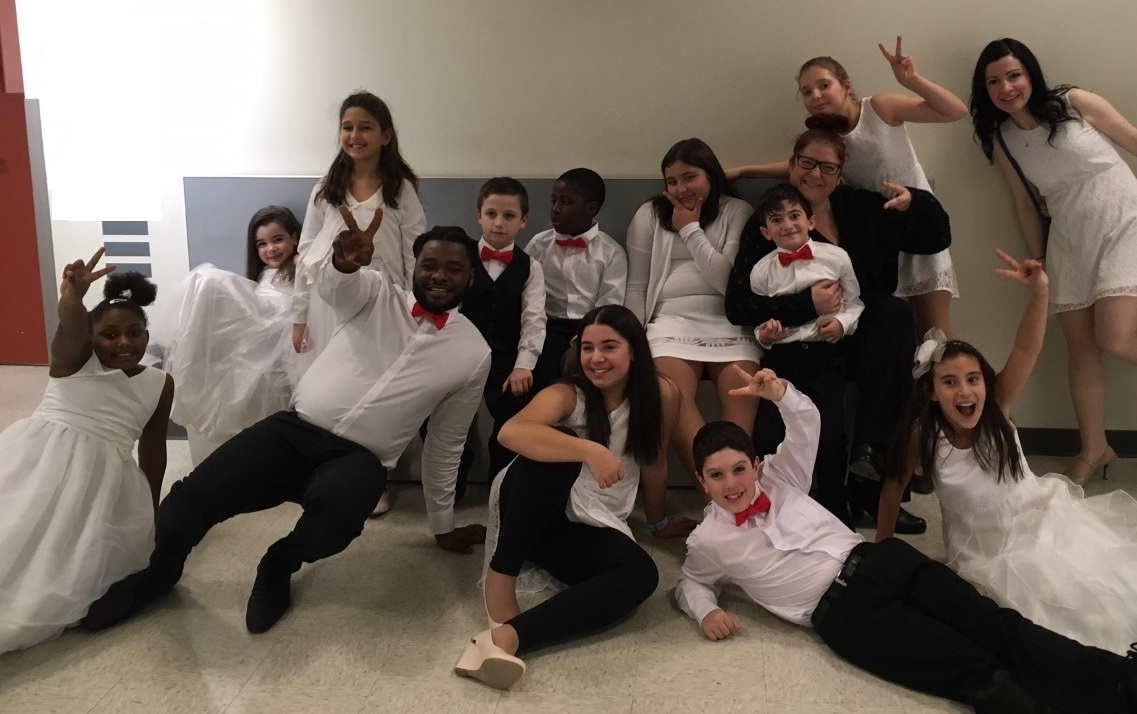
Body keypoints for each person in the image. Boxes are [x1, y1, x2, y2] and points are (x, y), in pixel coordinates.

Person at [83, 222, 491, 635]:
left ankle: (278, 564)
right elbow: (338, 288)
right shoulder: (376, 292)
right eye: (430, 265)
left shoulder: (473, 353)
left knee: (337, 520)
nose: (439, 275)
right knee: (187, 499)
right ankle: (159, 574)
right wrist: (344, 264)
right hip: (293, 432)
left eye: (454, 268)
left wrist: (442, 525)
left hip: (358, 461)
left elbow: (447, 442)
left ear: (471, 277)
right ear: (415, 267)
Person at [676, 379, 1137, 713]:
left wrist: (780, 393)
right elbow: (691, 581)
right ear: (702, 480)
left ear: (756, 465)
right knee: (971, 670)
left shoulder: (782, 476)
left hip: (881, 560)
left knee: (999, 626)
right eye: (717, 475)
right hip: (844, 614)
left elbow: (806, 422)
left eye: (739, 469)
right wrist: (706, 610)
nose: (732, 484)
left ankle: (1121, 682)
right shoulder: (709, 538)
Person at [878, 250, 1137, 655]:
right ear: (930, 391)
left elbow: (1026, 349)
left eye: (973, 379)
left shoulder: (998, 406)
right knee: (1017, 630)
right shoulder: (923, 436)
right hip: (978, 554)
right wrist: (883, 549)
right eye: (949, 382)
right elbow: (893, 485)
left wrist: (1040, 292)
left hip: (1039, 524)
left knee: (1084, 599)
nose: (965, 391)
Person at [725, 116, 951, 533]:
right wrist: (806, 305)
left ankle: (871, 463)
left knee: (895, 314)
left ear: (840, 173)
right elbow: (739, 305)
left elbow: (936, 239)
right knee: (800, 429)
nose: (816, 174)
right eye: (807, 163)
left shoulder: (864, 207)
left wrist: (917, 202)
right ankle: (811, 501)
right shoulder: (770, 221)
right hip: (802, 343)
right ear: (791, 165)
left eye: (828, 167)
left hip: (862, 329)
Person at [455, 305, 696, 690]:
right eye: (587, 348)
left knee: (641, 575)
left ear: (634, 350)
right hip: (531, 510)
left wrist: (658, 522)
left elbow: (654, 462)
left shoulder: (661, 393)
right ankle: (500, 579)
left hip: (590, 519)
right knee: (561, 445)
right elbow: (511, 433)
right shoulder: (567, 393)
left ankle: (506, 639)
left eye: (609, 347)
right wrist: (588, 450)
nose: (596, 358)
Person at [970, 38, 1137, 485]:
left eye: (1014, 75)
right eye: (993, 81)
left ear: (1031, 74)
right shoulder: (1003, 139)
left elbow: (1134, 140)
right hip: (1068, 237)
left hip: (1123, 218)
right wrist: (1039, 258)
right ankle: (1095, 448)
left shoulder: (1074, 102)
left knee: (1115, 337)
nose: (1006, 87)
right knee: (1081, 348)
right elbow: (1025, 205)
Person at [727, 37, 965, 338]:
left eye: (824, 85)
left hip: (913, 218)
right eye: (806, 91)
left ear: (847, 86)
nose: (815, 95)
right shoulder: (828, 138)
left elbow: (955, 111)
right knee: (897, 325)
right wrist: (745, 171)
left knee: (935, 336)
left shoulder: (880, 108)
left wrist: (911, 80)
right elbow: (801, 168)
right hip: (878, 234)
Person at [0, 250, 173, 653]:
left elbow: (153, 449)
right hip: (42, 461)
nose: (124, 342)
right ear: (92, 339)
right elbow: (71, 326)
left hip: (102, 481)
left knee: (69, 556)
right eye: (110, 335)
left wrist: (151, 510)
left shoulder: (160, 383)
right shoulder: (75, 360)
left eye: (134, 332)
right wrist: (72, 298)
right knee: (16, 530)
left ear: (147, 335)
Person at [291, 90, 426, 516]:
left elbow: (415, 254)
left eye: (365, 127)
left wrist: (415, 307)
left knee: (372, 392)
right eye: (347, 127)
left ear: (385, 135)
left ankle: (372, 481)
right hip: (328, 305)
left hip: (381, 307)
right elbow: (305, 254)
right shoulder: (325, 190)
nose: (354, 134)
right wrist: (299, 315)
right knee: (329, 390)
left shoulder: (400, 190)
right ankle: (324, 477)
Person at [625, 138, 762, 485]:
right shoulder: (650, 214)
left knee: (743, 398)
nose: (681, 188)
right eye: (672, 181)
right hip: (670, 322)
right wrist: (631, 340)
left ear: (710, 175)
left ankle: (732, 491)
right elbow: (636, 287)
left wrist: (689, 228)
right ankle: (718, 496)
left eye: (690, 177)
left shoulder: (737, 211)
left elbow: (728, 282)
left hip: (730, 323)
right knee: (672, 399)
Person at [748, 183, 863, 524]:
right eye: (777, 220)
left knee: (830, 437)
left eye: (794, 215)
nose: (788, 225)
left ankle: (834, 506)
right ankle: (776, 507)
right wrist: (765, 335)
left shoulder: (837, 258)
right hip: (781, 360)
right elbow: (759, 322)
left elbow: (855, 302)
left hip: (825, 356)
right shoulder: (760, 273)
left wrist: (841, 323)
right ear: (766, 232)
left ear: (811, 221)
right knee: (769, 435)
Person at [150, 205, 300, 464]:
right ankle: (190, 362)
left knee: (207, 279)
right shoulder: (265, 272)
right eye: (262, 244)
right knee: (204, 287)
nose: (271, 249)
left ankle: (184, 363)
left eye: (278, 240)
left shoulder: (300, 262)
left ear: (294, 238)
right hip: (263, 319)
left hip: (276, 321)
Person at [456, 177, 546, 496]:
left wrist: (524, 365)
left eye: (509, 216)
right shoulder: (460, 257)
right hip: (460, 355)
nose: (498, 223)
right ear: (478, 215)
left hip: (506, 359)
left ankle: (500, 486)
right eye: (491, 214)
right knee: (440, 414)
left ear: (523, 220)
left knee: (515, 413)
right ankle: (454, 479)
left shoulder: (531, 267)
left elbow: (534, 319)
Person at [524, 168, 627, 389]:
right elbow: (526, 290)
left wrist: (580, 343)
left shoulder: (611, 252)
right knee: (542, 376)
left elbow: (609, 305)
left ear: (591, 208)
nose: (555, 209)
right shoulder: (539, 244)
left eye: (566, 202)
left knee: (588, 378)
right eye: (553, 201)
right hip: (547, 326)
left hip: (591, 326)